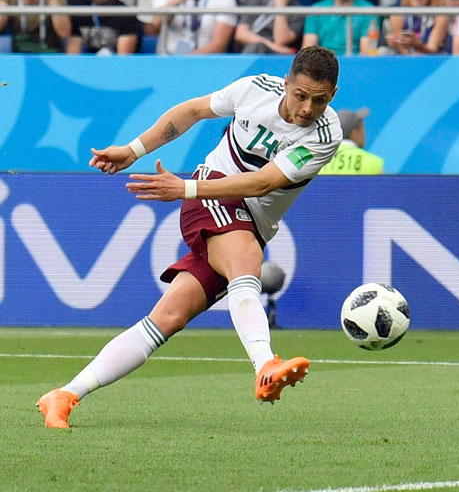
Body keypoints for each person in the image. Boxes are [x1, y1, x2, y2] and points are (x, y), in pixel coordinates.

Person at [35, 46, 344, 429]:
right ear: (286, 85)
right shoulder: (253, 90)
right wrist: (134, 151)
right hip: (213, 193)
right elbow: (193, 110)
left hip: (244, 216)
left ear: (331, 97)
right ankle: (266, 364)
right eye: (300, 96)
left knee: (167, 318)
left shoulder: (327, 134)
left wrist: (184, 189)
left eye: (320, 100)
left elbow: (266, 182)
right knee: (247, 261)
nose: (307, 109)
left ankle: (64, 395)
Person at [67, 0, 140, 55]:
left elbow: (123, 58)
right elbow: (73, 55)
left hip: (115, 66)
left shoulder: (125, 14)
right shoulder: (80, 12)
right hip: (87, 65)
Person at [235, 0, 305, 54]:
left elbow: (281, 40)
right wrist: (272, 46)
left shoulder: (299, 11)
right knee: (257, 46)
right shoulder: (257, 2)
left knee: (258, 46)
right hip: (253, 47)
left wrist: (280, 5)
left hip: (277, 55)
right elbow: (241, 34)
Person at [387, 0, 451, 54]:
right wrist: (395, 43)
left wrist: (417, 44)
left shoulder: (441, 16)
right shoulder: (397, 16)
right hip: (407, 63)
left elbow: (432, 50)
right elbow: (404, 53)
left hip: (436, 63)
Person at [321, 107, 384, 175]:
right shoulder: (373, 163)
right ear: (354, 133)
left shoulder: (320, 162)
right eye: (362, 129)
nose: (364, 134)